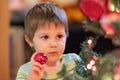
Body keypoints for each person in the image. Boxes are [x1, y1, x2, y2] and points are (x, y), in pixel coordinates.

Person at [16, 2, 83, 80]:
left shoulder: (74, 62)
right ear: (30, 40)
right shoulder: (25, 72)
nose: (53, 44)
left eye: (59, 36)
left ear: (66, 35)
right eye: (45, 37)